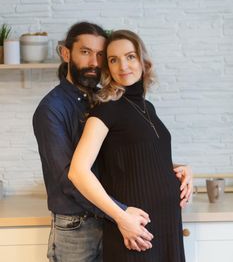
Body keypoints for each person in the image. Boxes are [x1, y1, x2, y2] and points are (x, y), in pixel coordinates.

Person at [33, 22, 155, 262]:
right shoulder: (51, 109)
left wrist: (176, 168)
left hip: (112, 220)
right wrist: (120, 213)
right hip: (76, 228)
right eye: (85, 52)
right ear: (66, 53)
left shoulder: (104, 100)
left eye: (100, 55)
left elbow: (125, 153)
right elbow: (69, 178)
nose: (93, 63)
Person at [69, 29, 192, 261]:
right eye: (113, 60)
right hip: (137, 232)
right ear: (107, 68)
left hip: (166, 225)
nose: (123, 66)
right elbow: (78, 171)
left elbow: (141, 156)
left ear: (143, 60)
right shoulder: (106, 110)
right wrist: (121, 217)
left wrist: (182, 168)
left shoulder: (148, 108)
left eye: (130, 56)